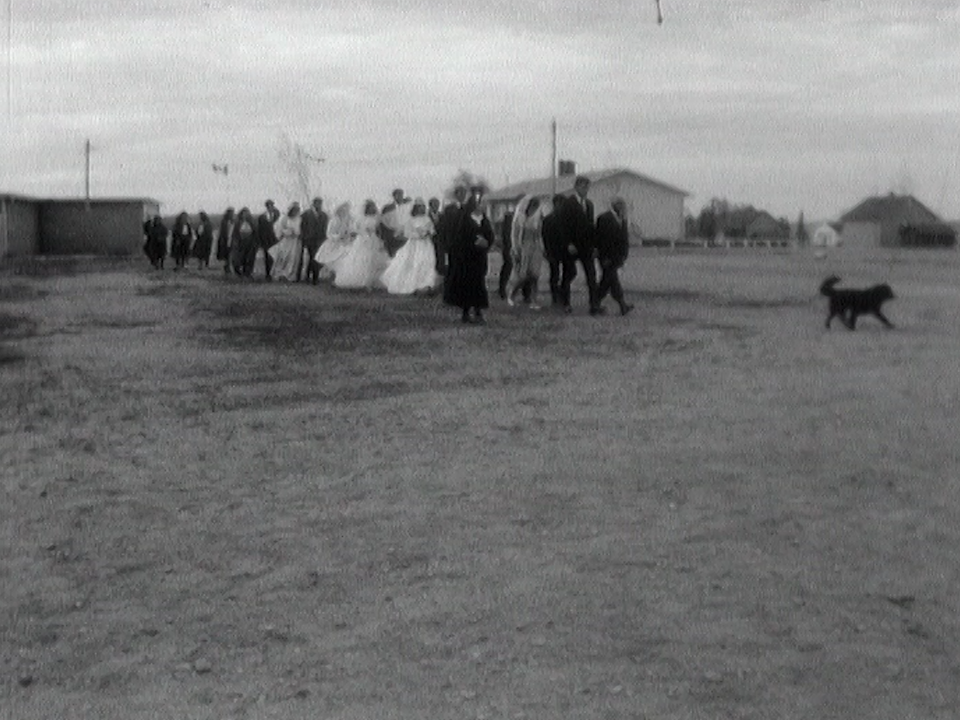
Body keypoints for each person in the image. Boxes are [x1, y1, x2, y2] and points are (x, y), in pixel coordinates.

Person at [444, 186, 492, 324]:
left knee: (479, 284)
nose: (480, 206)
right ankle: (465, 313)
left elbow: (489, 233)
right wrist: (473, 242)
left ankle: (478, 311)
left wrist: (486, 242)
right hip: (466, 257)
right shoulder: (463, 217)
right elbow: (459, 237)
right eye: (478, 203)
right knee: (466, 285)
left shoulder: (483, 218)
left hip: (479, 257)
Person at [558, 175, 602, 315]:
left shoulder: (589, 204)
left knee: (591, 275)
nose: (586, 190)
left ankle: (594, 305)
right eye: (583, 187)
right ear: (576, 187)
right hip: (572, 246)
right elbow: (563, 226)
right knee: (569, 274)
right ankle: (565, 303)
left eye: (587, 187)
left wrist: (595, 245)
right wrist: (568, 243)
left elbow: (590, 227)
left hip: (586, 246)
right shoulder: (568, 203)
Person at [381, 197, 438, 295]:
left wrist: (429, 233)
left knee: (427, 262)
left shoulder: (427, 219)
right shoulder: (410, 220)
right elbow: (407, 233)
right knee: (416, 262)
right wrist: (418, 235)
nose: (422, 209)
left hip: (426, 244)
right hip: (415, 244)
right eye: (419, 207)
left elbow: (432, 230)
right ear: (415, 208)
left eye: (423, 207)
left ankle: (426, 285)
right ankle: (414, 285)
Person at [334, 199, 390, 290]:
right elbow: (355, 229)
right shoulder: (360, 218)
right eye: (371, 207)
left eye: (373, 207)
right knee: (362, 258)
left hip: (373, 239)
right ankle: (360, 281)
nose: (373, 209)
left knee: (373, 259)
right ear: (367, 209)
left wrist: (377, 238)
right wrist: (364, 233)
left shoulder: (376, 218)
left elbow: (378, 230)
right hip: (363, 239)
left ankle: (370, 281)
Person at [595, 197, 635, 316]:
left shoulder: (622, 219)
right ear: (614, 205)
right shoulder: (604, 218)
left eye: (623, 205)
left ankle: (595, 303)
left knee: (608, 281)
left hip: (617, 257)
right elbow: (601, 239)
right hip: (607, 257)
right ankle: (621, 305)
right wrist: (604, 256)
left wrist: (623, 255)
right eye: (620, 205)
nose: (623, 207)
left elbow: (624, 239)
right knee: (611, 280)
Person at [506, 195, 544, 309]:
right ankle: (511, 295)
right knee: (522, 275)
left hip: (535, 247)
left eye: (536, 206)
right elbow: (514, 235)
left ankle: (534, 300)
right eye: (532, 205)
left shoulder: (538, 218)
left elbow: (539, 234)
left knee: (535, 275)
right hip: (522, 247)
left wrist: (542, 247)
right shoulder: (519, 218)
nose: (534, 208)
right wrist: (515, 248)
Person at [314, 201, 356, 281]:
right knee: (332, 259)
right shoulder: (333, 221)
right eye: (343, 211)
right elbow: (329, 233)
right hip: (333, 243)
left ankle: (340, 276)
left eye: (346, 211)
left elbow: (349, 230)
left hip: (344, 242)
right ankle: (329, 274)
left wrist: (349, 235)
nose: (345, 213)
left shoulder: (347, 221)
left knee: (344, 258)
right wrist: (338, 236)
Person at [436, 185, 467, 284]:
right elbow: (444, 226)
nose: (462, 196)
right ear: (456, 195)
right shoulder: (449, 209)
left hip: (465, 241)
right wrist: (446, 242)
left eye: (464, 194)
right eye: (460, 193)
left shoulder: (468, 208)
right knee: (453, 263)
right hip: (453, 241)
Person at [541, 194, 567, 307]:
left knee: (569, 272)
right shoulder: (548, 219)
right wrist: (547, 251)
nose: (561, 207)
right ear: (555, 204)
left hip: (564, 251)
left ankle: (561, 293)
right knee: (554, 274)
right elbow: (544, 236)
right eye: (560, 204)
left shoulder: (566, 219)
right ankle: (555, 297)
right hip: (552, 250)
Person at [268, 202, 303, 281]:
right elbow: (279, 228)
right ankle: (278, 274)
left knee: (292, 258)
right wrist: (287, 232)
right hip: (286, 241)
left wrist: (297, 233)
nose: (295, 212)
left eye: (296, 210)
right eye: (293, 210)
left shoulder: (299, 219)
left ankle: (290, 276)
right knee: (282, 257)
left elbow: (300, 229)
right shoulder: (284, 218)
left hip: (294, 242)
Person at [299, 197, 329, 284]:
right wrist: (304, 237)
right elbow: (302, 226)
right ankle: (311, 277)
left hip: (319, 240)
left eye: (320, 203)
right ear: (313, 204)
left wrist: (324, 239)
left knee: (316, 258)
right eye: (317, 203)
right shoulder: (306, 214)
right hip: (309, 239)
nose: (319, 205)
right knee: (312, 257)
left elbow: (325, 228)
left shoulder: (324, 215)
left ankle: (313, 276)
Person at [249, 199, 279, 279]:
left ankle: (274, 273)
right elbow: (260, 229)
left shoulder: (278, 215)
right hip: (265, 239)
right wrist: (260, 240)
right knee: (267, 256)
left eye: (271, 205)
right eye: (268, 206)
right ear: (266, 207)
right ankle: (268, 273)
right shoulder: (262, 217)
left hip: (275, 239)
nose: (270, 207)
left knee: (275, 256)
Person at [378, 188, 412, 257]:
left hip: (404, 236)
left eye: (401, 195)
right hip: (391, 237)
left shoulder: (407, 207)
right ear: (394, 196)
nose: (400, 197)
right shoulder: (388, 208)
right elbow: (383, 223)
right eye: (398, 195)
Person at [231, 207, 258, 277]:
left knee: (249, 259)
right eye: (244, 213)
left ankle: (247, 273)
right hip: (240, 243)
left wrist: (255, 243)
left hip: (250, 243)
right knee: (238, 259)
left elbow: (255, 233)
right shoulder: (238, 223)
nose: (245, 215)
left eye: (247, 213)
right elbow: (235, 233)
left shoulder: (252, 223)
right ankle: (239, 272)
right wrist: (235, 242)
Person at [497, 204, 515, 300]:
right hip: (509, 246)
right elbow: (506, 233)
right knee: (508, 267)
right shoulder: (509, 217)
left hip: (520, 247)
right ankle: (502, 288)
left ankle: (526, 293)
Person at [217, 207, 236, 274]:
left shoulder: (234, 221)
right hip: (226, 239)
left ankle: (228, 266)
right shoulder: (224, 221)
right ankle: (227, 266)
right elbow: (222, 231)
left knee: (231, 253)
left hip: (232, 239)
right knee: (227, 253)